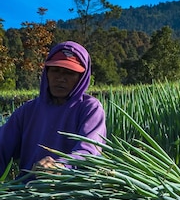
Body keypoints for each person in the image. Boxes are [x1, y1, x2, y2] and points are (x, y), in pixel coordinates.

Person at [0, 41, 106, 180]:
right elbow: (2, 145)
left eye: (69, 73)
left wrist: (62, 166)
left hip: (71, 194)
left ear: (81, 78)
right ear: (47, 73)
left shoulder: (89, 109)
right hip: (27, 192)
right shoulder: (28, 111)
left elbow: (89, 150)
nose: (60, 78)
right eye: (55, 70)